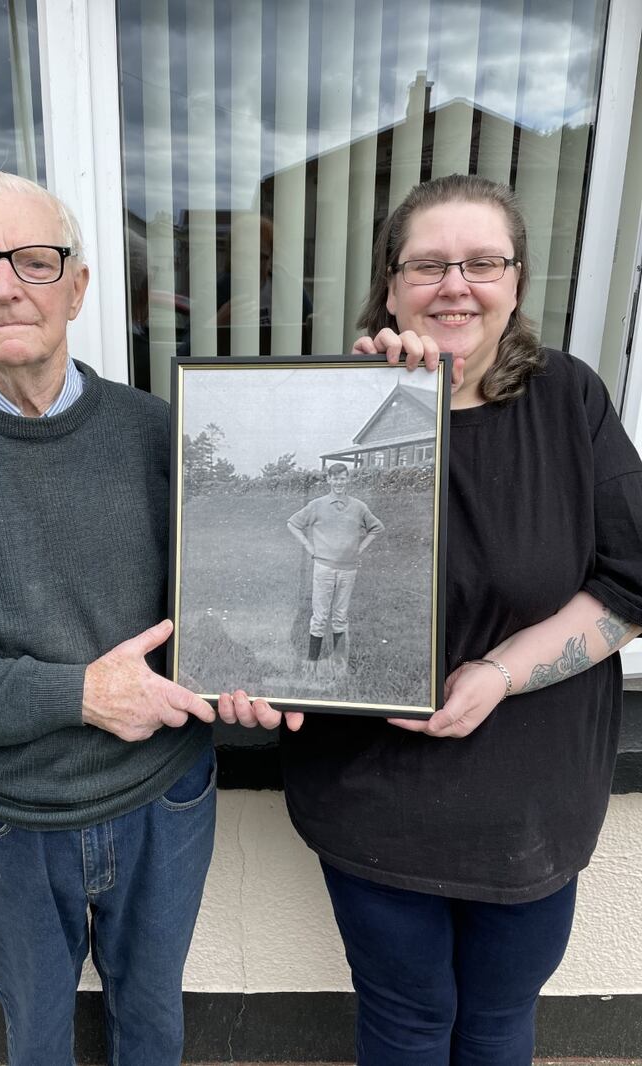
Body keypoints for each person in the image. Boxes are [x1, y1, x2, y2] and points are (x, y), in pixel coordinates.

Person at [221, 173, 642, 1065]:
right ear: (391, 283)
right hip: (375, 800)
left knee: (495, 1027)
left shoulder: (571, 402)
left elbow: (630, 585)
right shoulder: (342, 408)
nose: (456, 284)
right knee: (405, 1025)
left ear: (517, 281)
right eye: (428, 265)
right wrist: (268, 676)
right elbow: (270, 562)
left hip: (529, 802)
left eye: (482, 261)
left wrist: (498, 672)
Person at [0, 170, 219, 1066]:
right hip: (5, 823)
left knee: (154, 1022)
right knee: (38, 1040)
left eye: (35, 260)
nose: (6, 285)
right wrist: (82, 693)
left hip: (161, 799)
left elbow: (226, 607)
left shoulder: (158, 435)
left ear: (79, 286)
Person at [287, 462, 384, 670]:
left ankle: (339, 665)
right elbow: (293, 523)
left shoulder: (359, 506)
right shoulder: (317, 505)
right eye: (335, 478)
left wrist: (359, 548)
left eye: (343, 478)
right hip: (324, 568)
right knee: (320, 617)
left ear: (347, 480)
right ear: (328, 480)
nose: (339, 482)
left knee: (340, 616)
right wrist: (309, 547)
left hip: (349, 569)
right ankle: (312, 664)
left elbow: (376, 528)